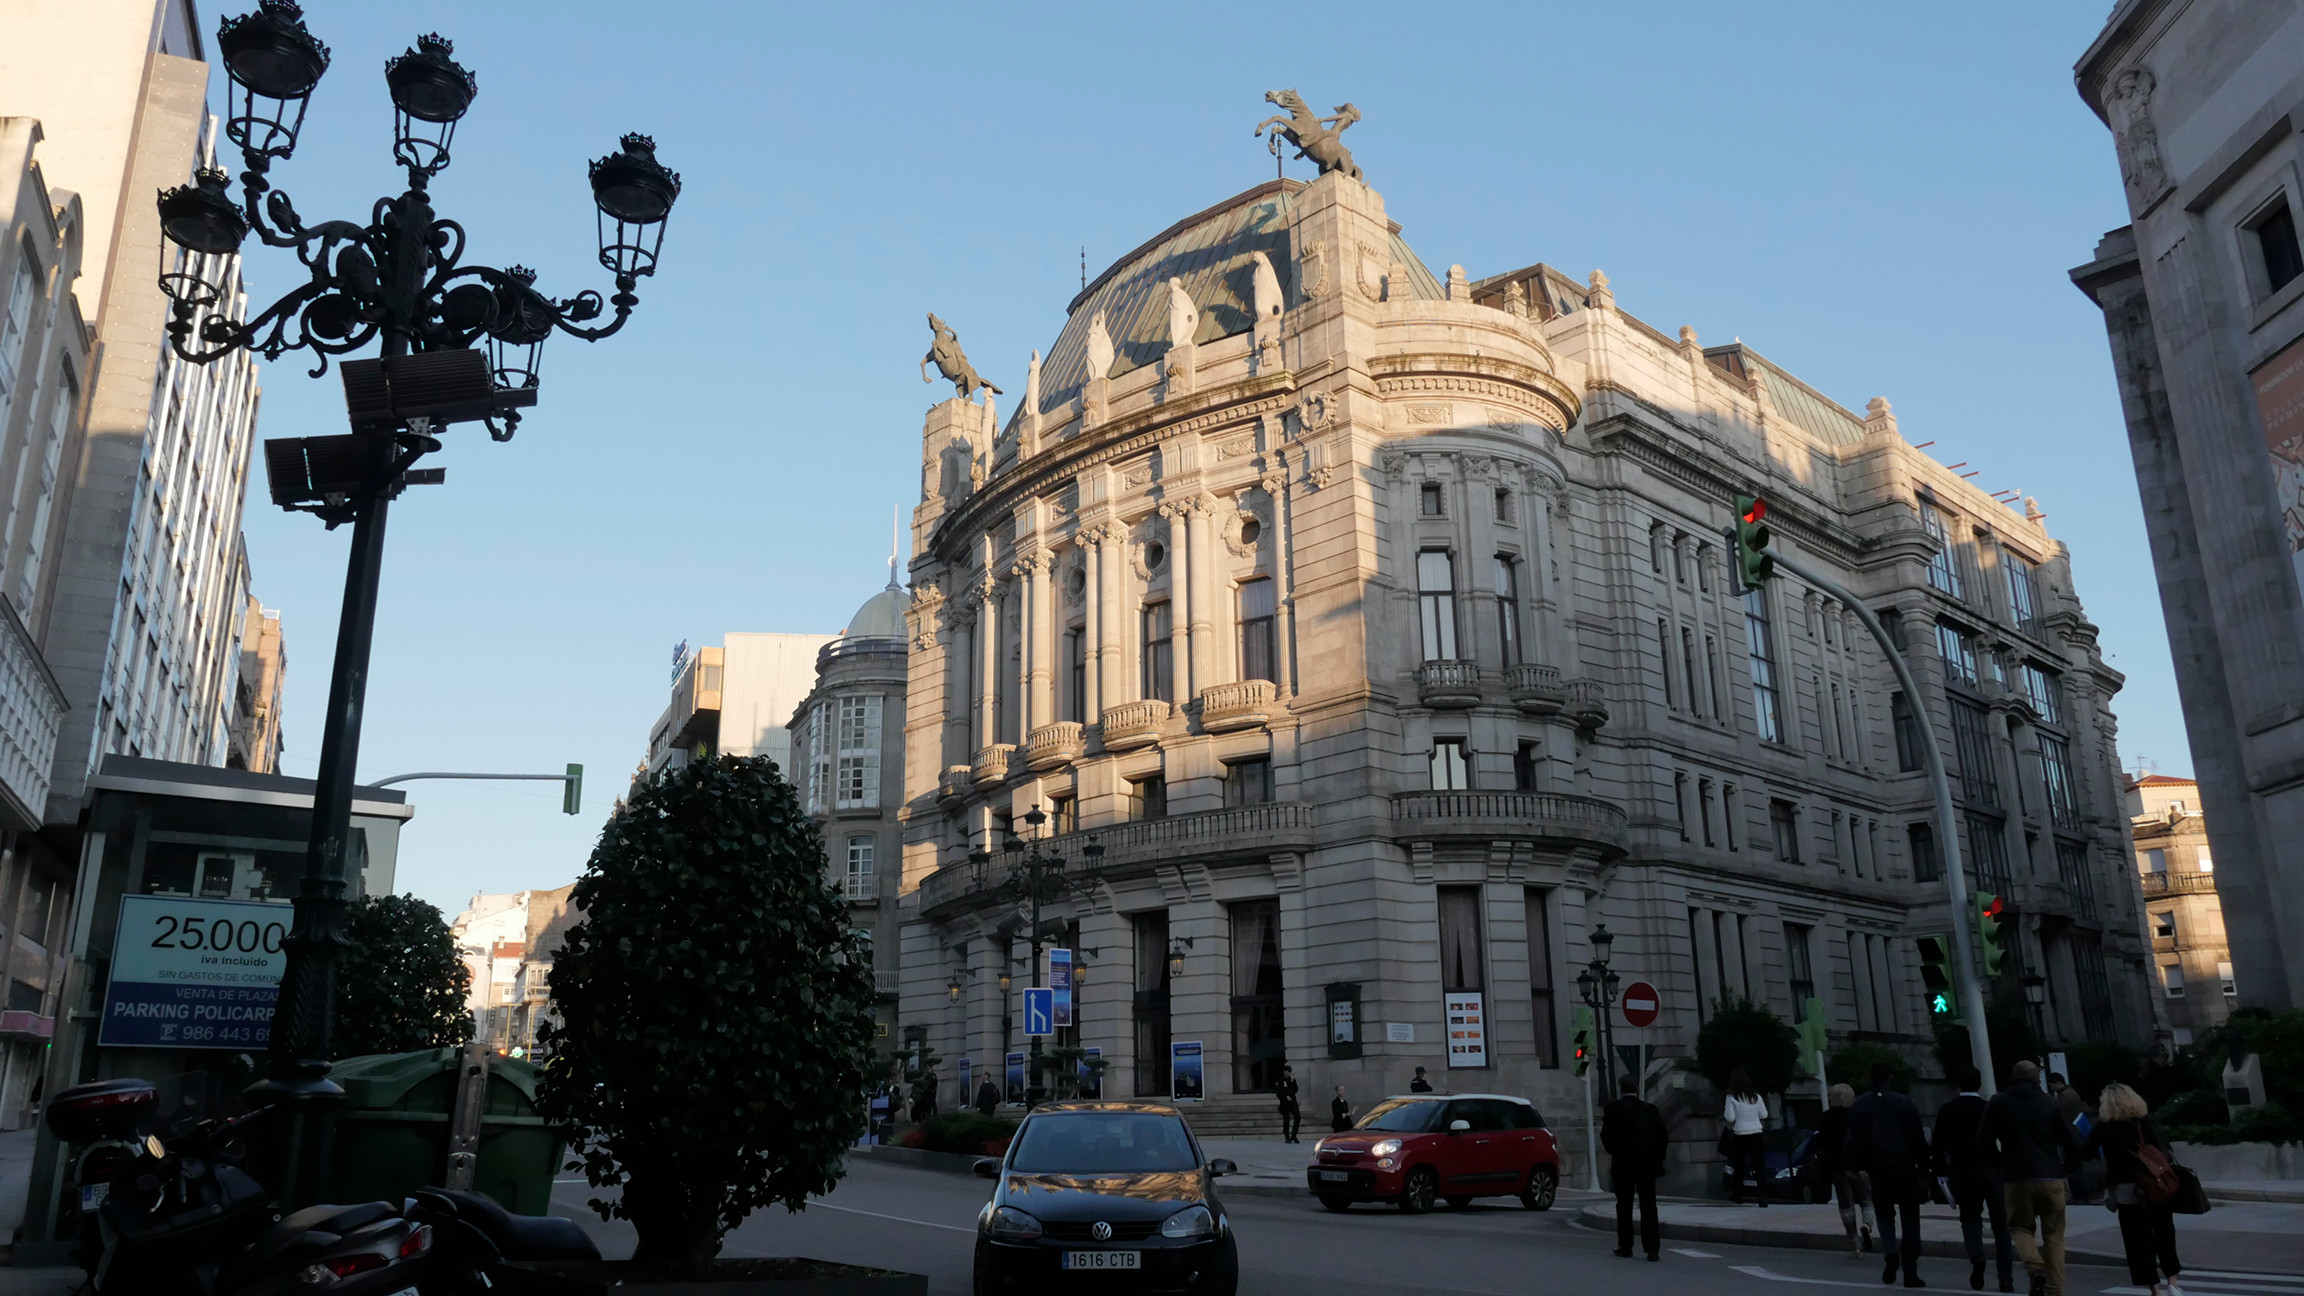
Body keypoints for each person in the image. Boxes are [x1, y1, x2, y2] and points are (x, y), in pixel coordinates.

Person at [1978, 1060, 2083, 1296]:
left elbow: (1983, 1141)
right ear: (2037, 1078)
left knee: (2019, 1227)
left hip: (2016, 1177)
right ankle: (2054, 1289)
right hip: (2050, 1175)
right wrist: (2068, 1167)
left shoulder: (1999, 1102)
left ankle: (2035, 1268)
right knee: (2054, 1236)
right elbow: (2071, 1139)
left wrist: (1999, 1165)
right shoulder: (2049, 1103)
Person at [2084, 1082, 2183, 1296]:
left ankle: (2153, 1288)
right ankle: (2173, 1283)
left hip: (2125, 1188)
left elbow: (2086, 1153)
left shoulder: (2103, 1126)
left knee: (2137, 1239)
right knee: (2164, 1231)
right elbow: (2164, 1148)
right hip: (2154, 1185)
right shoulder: (2145, 1122)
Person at [1847, 1061, 1928, 1288]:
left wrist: (1854, 1165)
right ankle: (1910, 1270)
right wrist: (1924, 1167)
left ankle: (1890, 1252)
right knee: (1910, 1218)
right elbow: (1917, 1138)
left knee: (1884, 1214)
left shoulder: (1860, 1105)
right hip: (1905, 1166)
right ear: (1890, 1077)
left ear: (1869, 1077)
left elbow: (1854, 1141)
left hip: (1878, 1168)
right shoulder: (1905, 1103)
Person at [1934, 1065, 2014, 1293]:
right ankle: (2005, 1278)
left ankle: (1977, 1256)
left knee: (1970, 1219)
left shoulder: (1948, 1109)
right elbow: (2005, 1138)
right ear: (1979, 1084)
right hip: (1991, 1169)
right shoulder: (1989, 1108)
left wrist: (1941, 1173)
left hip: (1963, 1170)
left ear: (1958, 1085)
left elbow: (1938, 1145)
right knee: (2001, 1225)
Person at [1601, 1073, 1669, 1262]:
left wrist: (1616, 1151)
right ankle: (1652, 1249)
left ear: (1621, 1089)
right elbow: (1662, 1136)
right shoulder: (1650, 1109)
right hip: (1647, 1164)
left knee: (1624, 1205)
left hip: (1624, 1164)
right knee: (1648, 1206)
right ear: (1636, 1089)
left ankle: (1625, 1245)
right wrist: (1657, 1157)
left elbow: (1606, 1136)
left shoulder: (1613, 1109)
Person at [1820, 1082, 1878, 1257]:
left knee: (1847, 1207)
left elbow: (1821, 1145)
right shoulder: (1859, 1115)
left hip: (1839, 1168)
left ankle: (1855, 1244)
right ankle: (1867, 1225)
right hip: (1860, 1166)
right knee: (1867, 1201)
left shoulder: (1827, 1118)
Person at [1722, 1067, 1770, 1207]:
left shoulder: (1731, 1097)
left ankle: (1738, 1194)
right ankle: (1763, 1196)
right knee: (1759, 1165)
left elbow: (1730, 1118)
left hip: (1740, 1134)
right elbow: (1764, 1115)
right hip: (1756, 1133)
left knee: (1739, 1165)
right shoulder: (1756, 1096)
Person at [1275, 1064, 1303, 1143]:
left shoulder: (1292, 1080)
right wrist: (1285, 1097)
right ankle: (1287, 1137)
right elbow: (1278, 1093)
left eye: (1290, 1071)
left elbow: (1295, 1090)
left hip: (1293, 1102)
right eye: (1288, 1071)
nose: (1290, 1073)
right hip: (1285, 1103)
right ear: (1284, 1072)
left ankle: (1294, 1135)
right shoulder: (1280, 1081)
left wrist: (1292, 1081)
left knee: (1297, 1117)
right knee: (1286, 1119)